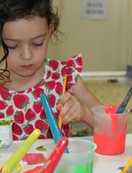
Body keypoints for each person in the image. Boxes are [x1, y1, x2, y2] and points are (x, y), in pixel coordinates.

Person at [0, 0, 101, 140]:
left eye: (37, 43)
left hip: (59, 162)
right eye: (12, 45)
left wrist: (84, 113)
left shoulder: (64, 76)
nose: (27, 55)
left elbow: (110, 125)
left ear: (50, 30)